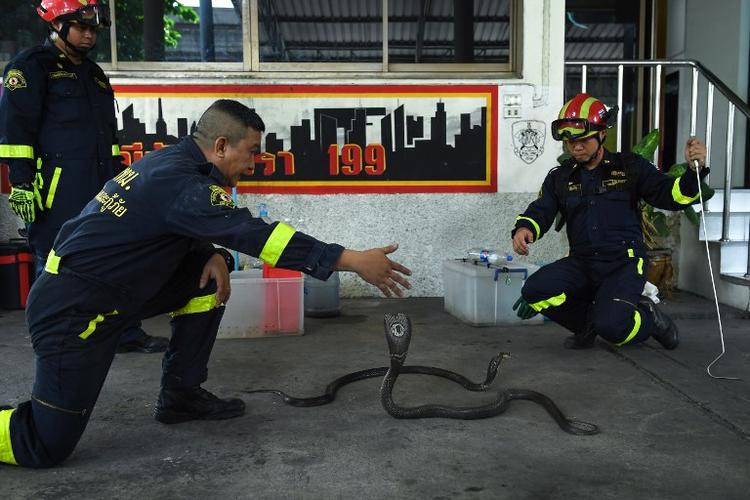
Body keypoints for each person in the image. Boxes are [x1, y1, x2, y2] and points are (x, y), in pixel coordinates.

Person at [0, 99, 412, 468]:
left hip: (110, 293)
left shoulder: (171, 165)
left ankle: (181, 395)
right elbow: (260, 236)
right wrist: (350, 260)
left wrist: (207, 252)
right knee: (43, 444)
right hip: (75, 312)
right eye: (250, 153)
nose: (254, 164)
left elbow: (163, 226)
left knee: (205, 280)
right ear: (220, 147)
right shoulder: (184, 183)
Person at [0, 0, 167, 354]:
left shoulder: (94, 74)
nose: (90, 35)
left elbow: (107, 138)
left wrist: (120, 182)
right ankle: (54, 338)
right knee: (55, 263)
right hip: (56, 190)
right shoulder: (30, 68)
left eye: (93, 29)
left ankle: (125, 333)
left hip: (101, 186)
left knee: (116, 256)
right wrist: (22, 182)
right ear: (57, 25)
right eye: (81, 27)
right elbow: (16, 133)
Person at [510, 93, 708, 350]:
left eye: (582, 140)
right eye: (569, 142)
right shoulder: (560, 176)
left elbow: (672, 195)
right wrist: (525, 228)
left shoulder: (630, 167)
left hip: (622, 263)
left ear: (602, 134)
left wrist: (694, 172)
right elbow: (542, 209)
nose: (575, 147)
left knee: (614, 329)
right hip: (582, 261)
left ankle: (649, 319)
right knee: (535, 290)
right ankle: (586, 325)